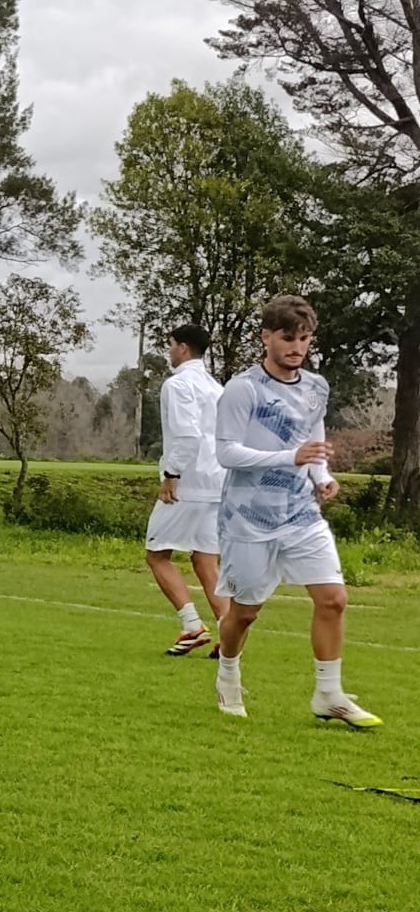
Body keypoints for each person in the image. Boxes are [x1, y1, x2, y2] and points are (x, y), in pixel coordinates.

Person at [211, 295, 378, 726]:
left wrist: (321, 476)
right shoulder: (242, 388)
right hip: (248, 516)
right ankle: (227, 675)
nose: (297, 347)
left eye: (305, 339)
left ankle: (329, 694)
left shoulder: (316, 387)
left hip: (301, 513)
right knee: (245, 612)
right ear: (266, 337)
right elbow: (226, 453)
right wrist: (291, 458)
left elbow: (313, 442)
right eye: (288, 338)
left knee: (334, 599)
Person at [147, 324, 229, 655]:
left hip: (188, 483)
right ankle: (229, 635)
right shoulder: (215, 387)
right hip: (217, 482)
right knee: (206, 561)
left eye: (170, 346)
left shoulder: (178, 384)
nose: (168, 352)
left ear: (182, 348)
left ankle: (191, 624)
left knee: (156, 554)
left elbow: (186, 435)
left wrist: (171, 474)